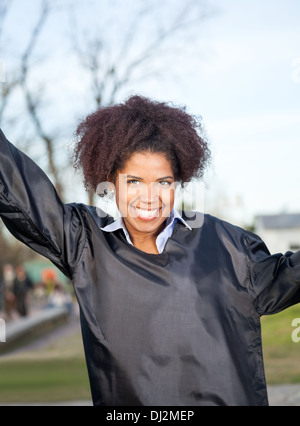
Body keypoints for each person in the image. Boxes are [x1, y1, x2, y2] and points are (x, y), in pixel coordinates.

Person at [0, 95, 300, 406]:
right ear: (112, 183)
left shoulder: (225, 245)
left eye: (162, 182)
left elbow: (288, 276)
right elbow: (14, 184)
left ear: (177, 184)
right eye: (134, 181)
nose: (149, 197)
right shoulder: (85, 243)